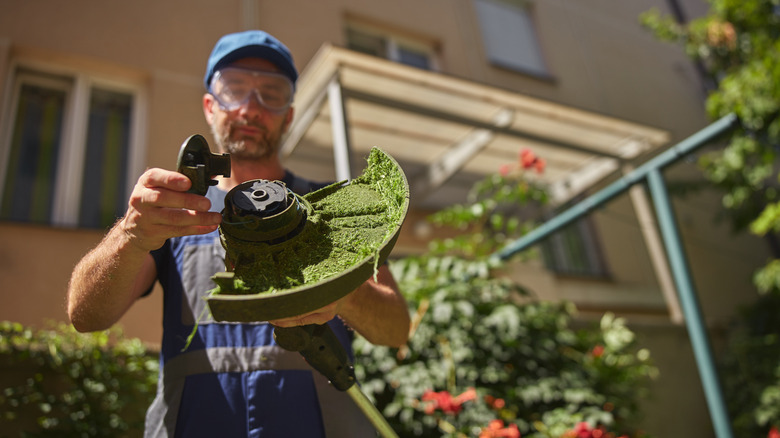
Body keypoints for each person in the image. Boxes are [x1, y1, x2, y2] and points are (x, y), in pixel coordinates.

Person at [66, 30, 411, 437]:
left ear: (289, 115)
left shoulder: (334, 208)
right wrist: (130, 235)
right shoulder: (171, 213)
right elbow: (85, 317)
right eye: (234, 89)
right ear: (210, 107)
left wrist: (341, 288)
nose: (250, 108)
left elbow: (395, 330)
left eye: (271, 92)